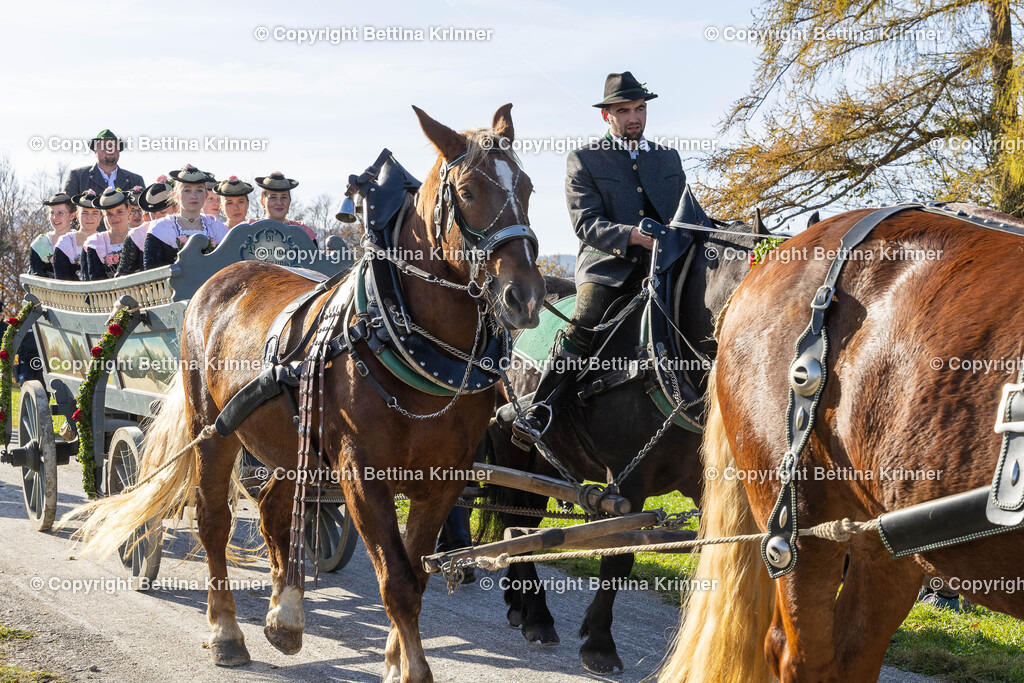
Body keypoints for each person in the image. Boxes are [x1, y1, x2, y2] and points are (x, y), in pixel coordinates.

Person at [500, 71, 697, 443]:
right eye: (624, 111)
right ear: (607, 116)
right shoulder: (584, 159)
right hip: (607, 267)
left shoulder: (667, 158)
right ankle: (541, 408)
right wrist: (632, 236)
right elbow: (586, 223)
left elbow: (686, 214)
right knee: (587, 316)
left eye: (639, 109)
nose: (634, 117)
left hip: (667, 264)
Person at [143, 165, 227, 270]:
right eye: (187, 190)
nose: (194, 196)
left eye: (199, 190)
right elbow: (152, 273)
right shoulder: (160, 228)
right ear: (176, 195)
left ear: (206, 195)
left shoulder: (216, 227)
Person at [118, 177, 176, 277]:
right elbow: (122, 274)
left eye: (162, 212)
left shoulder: (186, 227)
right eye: (152, 213)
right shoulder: (136, 235)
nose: (157, 218)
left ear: (175, 208)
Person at [64, 129, 145, 198]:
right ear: (95, 151)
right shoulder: (78, 177)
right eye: (104, 146)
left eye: (114, 146)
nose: (110, 149)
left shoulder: (136, 180)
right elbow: (66, 208)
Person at [81, 188, 133, 280]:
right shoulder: (94, 243)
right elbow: (90, 280)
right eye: (109, 214)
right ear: (104, 215)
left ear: (128, 210)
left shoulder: (140, 237)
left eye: (119, 212)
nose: (115, 217)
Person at [250, 171, 317, 241]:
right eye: (273, 197)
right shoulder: (248, 229)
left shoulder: (303, 233)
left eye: (284, 197)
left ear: (289, 201)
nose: (279, 203)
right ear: (263, 202)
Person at [54, 190, 102, 280]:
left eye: (95, 213)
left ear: (101, 216)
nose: (89, 218)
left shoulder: (105, 241)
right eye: (85, 213)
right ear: (77, 215)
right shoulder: (65, 242)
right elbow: (61, 279)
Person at [30, 193, 77, 277]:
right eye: (52, 213)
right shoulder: (40, 244)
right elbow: (36, 276)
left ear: (72, 215)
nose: (55, 218)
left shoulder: (80, 241)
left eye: (60, 213)